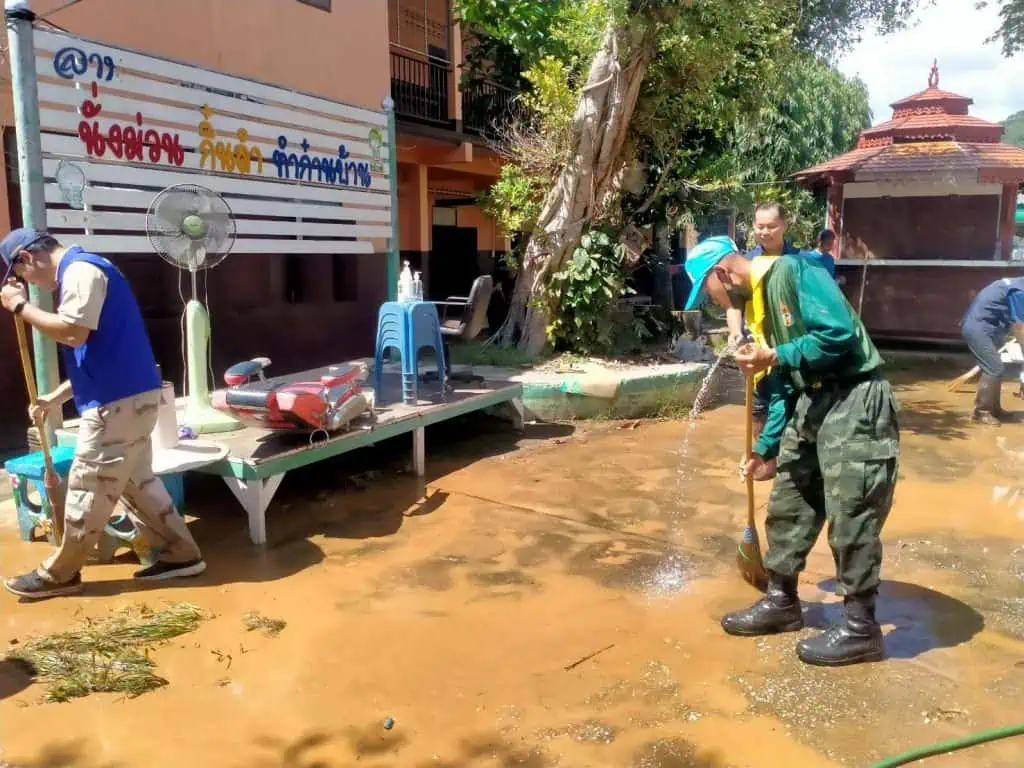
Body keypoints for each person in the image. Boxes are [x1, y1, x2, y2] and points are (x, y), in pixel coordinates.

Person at [683, 229, 900, 667]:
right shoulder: (759, 307)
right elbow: (782, 388)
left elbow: (838, 335)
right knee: (788, 501)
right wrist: (766, 449)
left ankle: (861, 629)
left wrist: (778, 355)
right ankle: (782, 602)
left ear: (722, 274)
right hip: (812, 399)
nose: (713, 305)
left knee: (852, 509)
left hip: (854, 396)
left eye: (708, 294)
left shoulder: (794, 271)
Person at [0, 229, 206, 600]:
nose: (34, 287)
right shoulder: (90, 270)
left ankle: (60, 573)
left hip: (117, 404)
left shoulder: (79, 272)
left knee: (88, 485)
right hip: (129, 397)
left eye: (26, 277)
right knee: (136, 485)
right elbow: (96, 350)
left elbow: (73, 333)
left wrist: (20, 307)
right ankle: (182, 554)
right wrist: (55, 397)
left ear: (27, 259)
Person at [960, 277, 1024, 425]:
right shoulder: (1019, 291)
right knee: (994, 367)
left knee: (995, 368)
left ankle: (995, 409)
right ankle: (981, 411)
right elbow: (1020, 327)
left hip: (985, 327)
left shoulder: (1016, 285)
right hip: (979, 328)